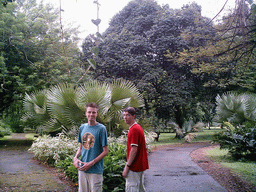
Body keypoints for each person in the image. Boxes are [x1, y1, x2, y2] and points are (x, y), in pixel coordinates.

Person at [73, 102, 109, 192]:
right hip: (82, 169)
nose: (91, 114)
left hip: (95, 171)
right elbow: (81, 148)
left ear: (97, 113)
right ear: (85, 113)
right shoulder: (82, 128)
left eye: (94, 112)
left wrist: (91, 163)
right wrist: (75, 158)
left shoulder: (101, 129)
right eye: (89, 112)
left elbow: (105, 151)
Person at [122, 107, 149, 192]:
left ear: (134, 116)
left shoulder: (134, 129)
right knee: (140, 189)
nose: (125, 117)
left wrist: (127, 166)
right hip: (139, 165)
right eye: (124, 115)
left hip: (134, 167)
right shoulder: (137, 127)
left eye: (128, 115)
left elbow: (134, 149)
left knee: (132, 188)